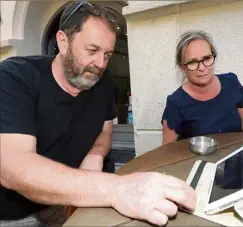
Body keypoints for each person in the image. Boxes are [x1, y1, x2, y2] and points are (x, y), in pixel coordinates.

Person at [0, 1, 196, 227]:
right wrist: (115, 187)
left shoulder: (103, 82)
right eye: (92, 51)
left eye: (107, 54)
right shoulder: (14, 77)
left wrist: (95, 156)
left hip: (63, 201)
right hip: (12, 214)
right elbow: (13, 167)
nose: (100, 64)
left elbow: (104, 132)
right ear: (63, 42)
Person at [162, 30, 243, 144]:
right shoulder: (176, 103)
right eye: (192, 62)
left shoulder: (231, 83)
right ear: (182, 67)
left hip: (238, 158)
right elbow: (168, 150)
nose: (202, 67)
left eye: (207, 58)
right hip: (200, 161)